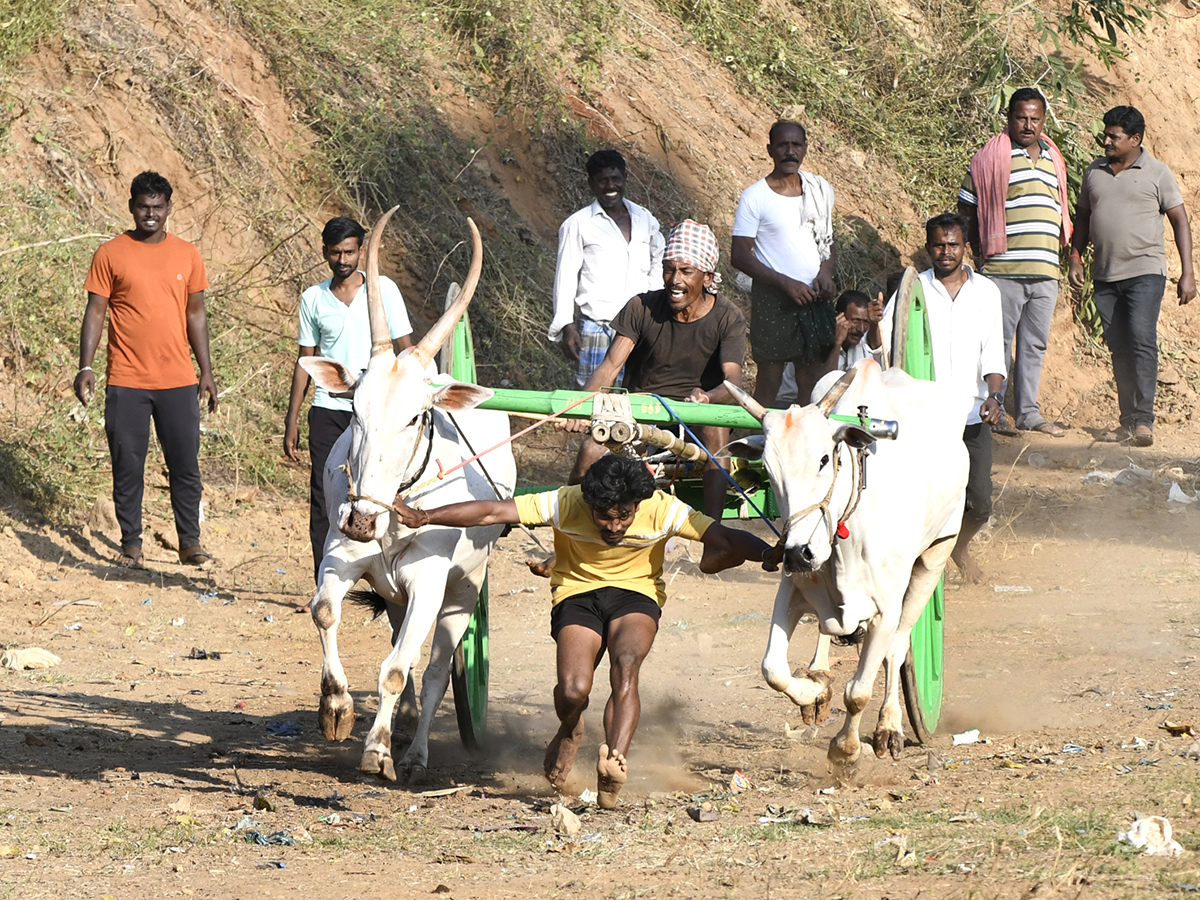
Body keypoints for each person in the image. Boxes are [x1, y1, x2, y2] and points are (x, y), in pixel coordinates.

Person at [390, 453, 780, 808]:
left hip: (636, 595)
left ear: (638, 505)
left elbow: (723, 536)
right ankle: (570, 731)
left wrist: (766, 551)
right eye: (604, 517)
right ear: (588, 503)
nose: (614, 527)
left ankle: (614, 762)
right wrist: (425, 517)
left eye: (623, 516)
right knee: (574, 690)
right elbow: (492, 512)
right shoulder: (565, 501)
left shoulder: (662, 508)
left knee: (626, 666)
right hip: (577, 593)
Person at [74, 171, 218, 568]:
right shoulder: (110, 253)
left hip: (178, 381)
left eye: (157, 207)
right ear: (132, 207)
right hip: (127, 380)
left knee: (185, 466)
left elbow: (196, 315)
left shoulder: (187, 254)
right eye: (143, 206)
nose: (150, 214)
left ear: (169, 208)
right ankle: (131, 546)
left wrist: (206, 371)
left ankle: (189, 544)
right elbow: (96, 311)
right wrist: (86, 365)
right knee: (128, 465)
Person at [570, 220, 746, 520]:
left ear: (707, 277)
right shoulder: (641, 307)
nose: (674, 280)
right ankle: (570, 531)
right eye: (669, 269)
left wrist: (706, 398)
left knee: (715, 425)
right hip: (642, 412)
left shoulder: (727, 317)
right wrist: (577, 409)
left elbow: (733, 382)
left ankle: (714, 535)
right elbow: (609, 368)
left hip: (695, 419)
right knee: (591, 447)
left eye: (686, 271)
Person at [870, 214, 1005, 582]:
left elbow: (994, 351)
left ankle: (957, 546)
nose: (946, 252)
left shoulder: (987, 292)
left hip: (971, 414)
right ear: (929, 247)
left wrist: (995, 396)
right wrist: (871, 323)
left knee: (978, 503)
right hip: (924, 417)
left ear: (966, 247)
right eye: (938, 245)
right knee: (921, 501)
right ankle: (921, 567)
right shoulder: (913, 290)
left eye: (953, 245)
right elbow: (884, 345)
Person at [284, 216, 414, 585]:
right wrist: (292, 417)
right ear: (325, 252)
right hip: (330, 408)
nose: (343, 260)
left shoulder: (384, 291)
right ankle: (324, 578)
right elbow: (305, 361)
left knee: (380, 489)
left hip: (378, 415)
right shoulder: (313, 298)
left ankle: (386, 572)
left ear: (360, 251)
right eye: (335, 252)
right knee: (325, 496)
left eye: (350, 251)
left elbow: (407, 348)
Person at [1068, 105, 1195, 447]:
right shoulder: (1094, 171)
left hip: (1145, 272)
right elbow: (1082, 219)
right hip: (1105, 275)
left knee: (1141, 340)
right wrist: (1076, 257)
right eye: (1106, 134)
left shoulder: (1157, 172)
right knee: (1119, 347)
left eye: (1114, 136)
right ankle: (1127, 422)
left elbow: (1180, 221)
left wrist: (1188, 272)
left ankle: (1143, 421)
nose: (1106, 140)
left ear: (1135, 139)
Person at [958, 87, 1072, 438]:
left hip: (1045, 271)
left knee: (1034, 344)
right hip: (1003, 270)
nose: (1028, 124)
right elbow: (966, 208)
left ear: (1043, 120)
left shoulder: (1055, 159)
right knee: (998, 343)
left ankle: (1027, 412)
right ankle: (992, 409)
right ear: (1008, 118)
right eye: (1021, 117)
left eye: (1035, 118)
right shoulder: (988, 158)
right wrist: (976, 250)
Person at [731, 120, 836, 409]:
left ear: (805, 148)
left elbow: (827, 242)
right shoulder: (756, 196)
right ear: (770, 150)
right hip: (773, 300)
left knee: (812, 382)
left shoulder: (817, 191)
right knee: (769, 384)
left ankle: (803, 450)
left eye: (796, 145)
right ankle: (750, 448)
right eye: (783, 145)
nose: (790, 151)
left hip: (814, 298)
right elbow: (738, 255)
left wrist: (826, 273)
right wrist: (785, 283)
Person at [549, 150, 666, 388]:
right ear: (591, 183)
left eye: (616, 179)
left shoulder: (645, 219)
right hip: (597, 328)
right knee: (592, 398)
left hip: (640, 328)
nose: (610, 186)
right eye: (602, 180)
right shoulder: (578, 224)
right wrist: (566, 326)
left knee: (634, 396)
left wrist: (653, 297)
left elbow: (659, 258)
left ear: (625, 178)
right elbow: (566, 276)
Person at [776, 290, 885, 405]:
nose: (861, 329)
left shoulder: (859, 345)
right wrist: (837, 343)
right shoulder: (817, 340)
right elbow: (823, 387)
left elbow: (875, 347)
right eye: (855, 321)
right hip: (791, 405)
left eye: (866, 322)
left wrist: (874, 324)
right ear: (840, 318)